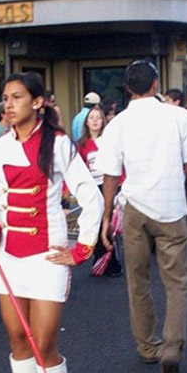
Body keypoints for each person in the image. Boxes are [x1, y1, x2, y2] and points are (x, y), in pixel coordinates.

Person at [0, 71, 101, 373]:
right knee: (17, 338)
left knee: (44, 342)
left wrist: (82, 247)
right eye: (5, 98)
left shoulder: (59, 144)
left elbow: (90, 194)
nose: (8, 105)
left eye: (16, 97)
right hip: (9, 256)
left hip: (48, 256)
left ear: (37, 103)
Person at [95, 59, 187, 373]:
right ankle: (172, 348)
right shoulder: (178, 116)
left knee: (138, 281)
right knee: (177, 284)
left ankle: (147, 345)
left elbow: (110, 174)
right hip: (172, 207)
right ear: (156, 85)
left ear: (128, 87)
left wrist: (106, 217)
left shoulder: (117, 124)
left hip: (134, 208)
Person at [77, 105, 122, 278]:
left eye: (98, 117)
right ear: (86, 122)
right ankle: (99, 260)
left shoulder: (109, 141)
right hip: (91, 188)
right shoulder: (82, 144)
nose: (95, 121)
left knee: (108, 223)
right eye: (92, 118)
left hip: (109, 186)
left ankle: (112, 263)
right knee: (95, 225)